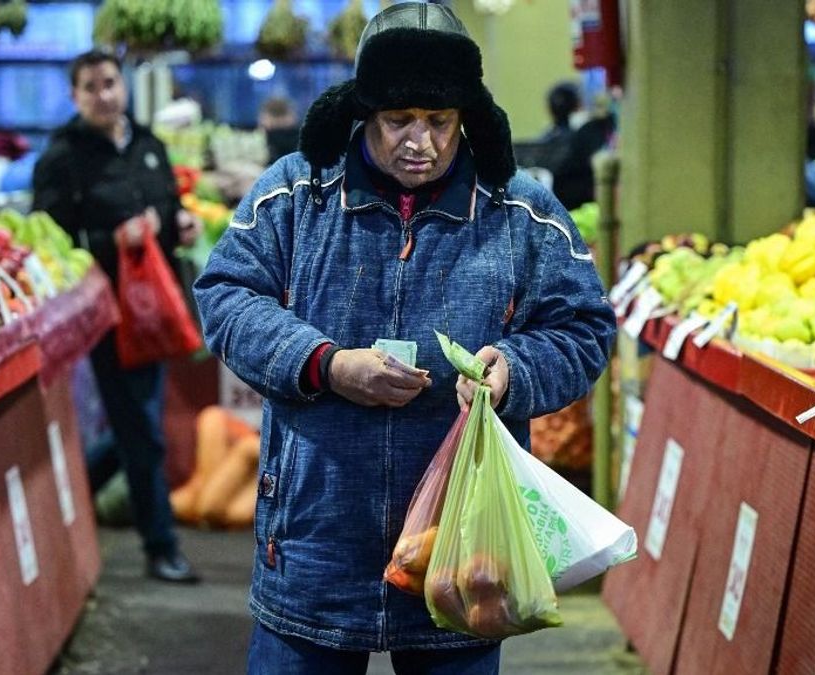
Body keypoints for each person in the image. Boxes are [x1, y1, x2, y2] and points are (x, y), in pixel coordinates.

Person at [194, 4, 615, 673]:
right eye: (398, 121)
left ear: (465, 116)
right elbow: (225, 296)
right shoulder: (296, 193)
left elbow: (584, 327)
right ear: (365, 111)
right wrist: (323, 364)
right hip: (315, 544)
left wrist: (513, 369)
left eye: (440, 122)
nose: (420, 142)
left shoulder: (519, 211)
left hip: (460, 548)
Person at [33, 48, 201, 583]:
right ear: (74, 95)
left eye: (110, 82)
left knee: (137, 421)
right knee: (142, 424)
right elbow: (51, 241)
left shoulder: (149, 145)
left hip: (156, 306)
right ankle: (162, 546)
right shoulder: (62, 156)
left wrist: (180, 225)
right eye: (91, 86)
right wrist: (112, 239)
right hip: (106, 311)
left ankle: (81, 481)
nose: (104, 94)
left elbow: (169, 210)